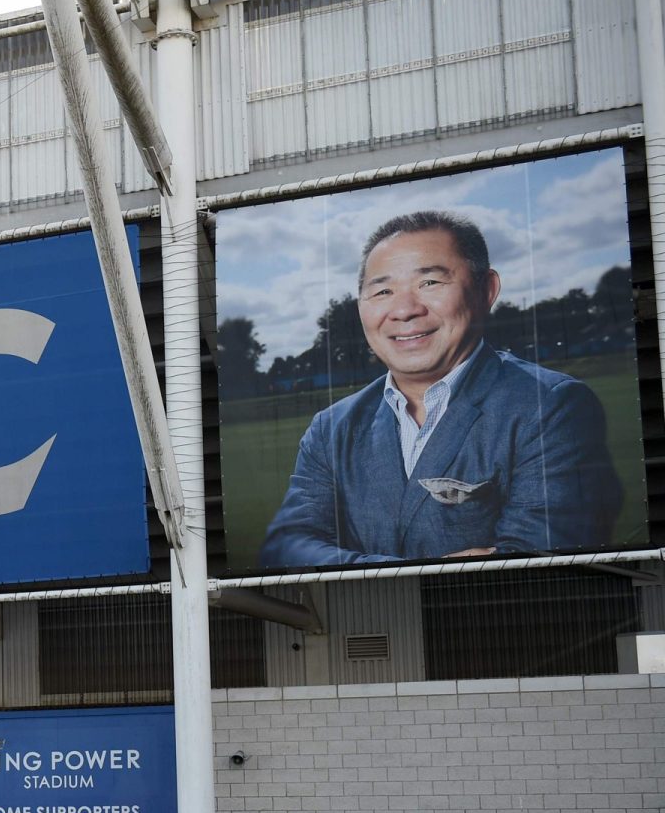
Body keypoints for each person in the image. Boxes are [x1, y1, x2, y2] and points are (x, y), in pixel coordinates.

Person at [259, 210, 621, 567]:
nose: (404, 310)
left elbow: (540, 562)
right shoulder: (331, 428)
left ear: (486, 289)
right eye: (383, 290)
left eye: (429, 283)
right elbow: (286, 547)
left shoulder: (550, 406)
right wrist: (426, 572)